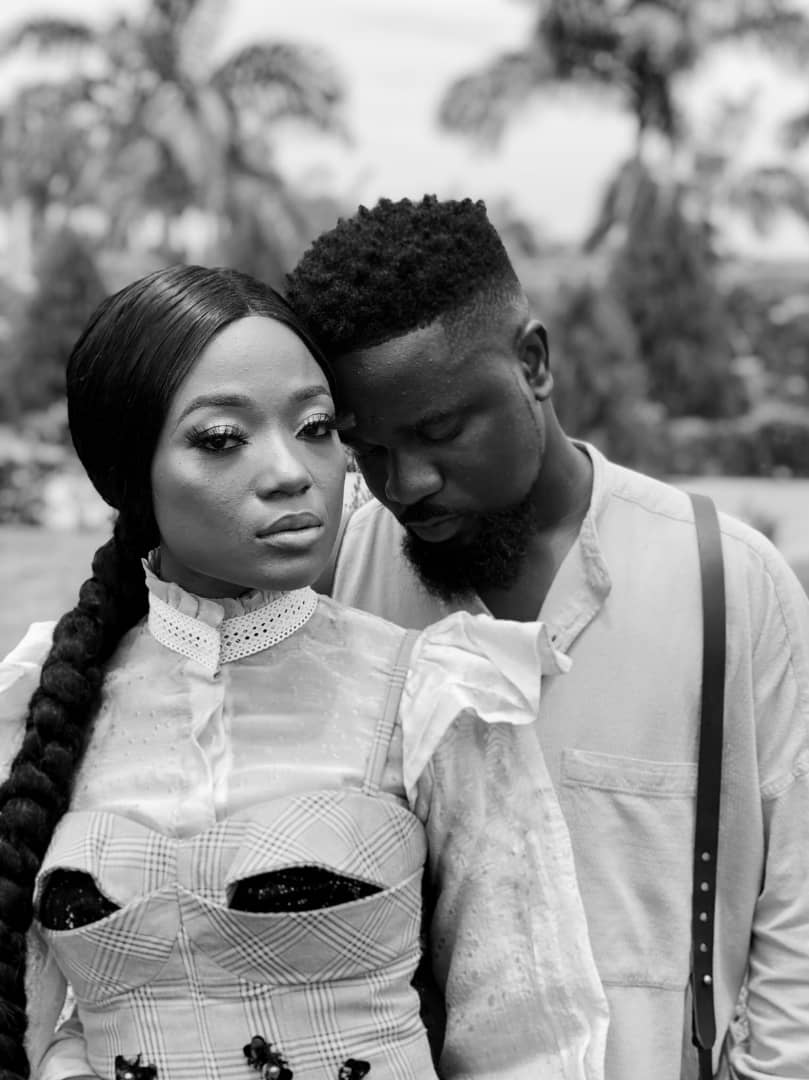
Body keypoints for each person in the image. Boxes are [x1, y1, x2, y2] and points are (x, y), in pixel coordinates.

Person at [0, 265, 608, 1080]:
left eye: (316, 427)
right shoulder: (40, 700)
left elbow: (526, 1037)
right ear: (126, 470)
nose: (292, 471)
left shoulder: (427, 694)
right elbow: (27, 1017)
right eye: (223, 439)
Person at [286, 195, 809, 1080]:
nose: (404, 482)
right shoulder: (334, 587)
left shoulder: (727, 581)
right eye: (366, 447)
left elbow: (794, 914)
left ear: (533, 362)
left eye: (439, 431)